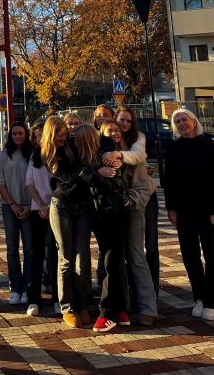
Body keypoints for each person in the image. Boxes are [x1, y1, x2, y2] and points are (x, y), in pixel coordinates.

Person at [165, 108, 214, 321]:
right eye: (178, 121)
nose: (182, 124)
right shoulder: (173, 148)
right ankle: (199, 297)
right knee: (190, 256)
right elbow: (169, 182)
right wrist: (170, 208)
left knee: (211, 255)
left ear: (194, 122)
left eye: (185, 120)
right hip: (183, 211)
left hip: (206, 211)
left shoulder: (208, 146)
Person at [100, 120, 157, 327]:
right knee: (115, 260)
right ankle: (123, 306)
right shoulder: (99, 158)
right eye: (109, 131)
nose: (113, 133)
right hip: (108, 213)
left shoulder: (131, 157)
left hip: (131, 210)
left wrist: (128, 199)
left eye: (116, 130)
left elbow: (145, 185)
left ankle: (148, 307)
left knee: (136, 256)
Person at [77, 123, 132, 333]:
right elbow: (81, 174)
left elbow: (113, 183)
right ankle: (119, 310)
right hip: (99, 214)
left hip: (115, 212)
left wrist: (96, 173)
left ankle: (107, 311)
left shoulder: (108, 155)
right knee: (113, 260)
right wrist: (95, 172)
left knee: (113, 259)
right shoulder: (88, 158)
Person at [42, 116, 93, 329]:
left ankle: (82, 303)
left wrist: (85, 175)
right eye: (60, 135)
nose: (64, 138)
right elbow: (68, 181)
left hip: (82, 205)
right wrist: (85, 176)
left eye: (65, 134)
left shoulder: (74, 146)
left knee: (82, 258)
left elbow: (85, 167)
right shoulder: (49, 153)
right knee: (65, 258)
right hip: (62, 206)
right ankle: (68, 307)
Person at [113, 107, 160, 302]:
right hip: (120, 201)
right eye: (121, 120)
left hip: (144, 197)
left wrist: (118, 155)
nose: (124, 124)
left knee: (148, 245)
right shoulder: (109, 140)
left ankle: (152, 294)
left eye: (128, 121)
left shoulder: (137, 138)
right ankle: (130, 292)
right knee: (125, 250)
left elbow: (139, 156)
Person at [0, 121, 33, 305]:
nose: (18, 136)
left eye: (21, 133)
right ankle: (15, 288)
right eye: (14, 133)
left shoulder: (32, 155)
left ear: (26, 135)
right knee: (11, 248)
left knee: (29, 249)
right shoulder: (3, 156)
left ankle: (27, 287)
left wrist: (29, 205)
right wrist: (12, 203)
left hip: (29, 206)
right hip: (9, 207)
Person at [25, 120, 58, 317]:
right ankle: (34, 299)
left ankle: (56, 298)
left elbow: (60, 183)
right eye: (35, 136)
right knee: (36, 255)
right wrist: (41, 205)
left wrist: (49, 205)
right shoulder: (33, 158)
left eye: (41, 136)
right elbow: (29, 183)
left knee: (54, 256)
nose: (38, 140)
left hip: (55, 209)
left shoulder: (56, 155)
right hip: (38, 210)